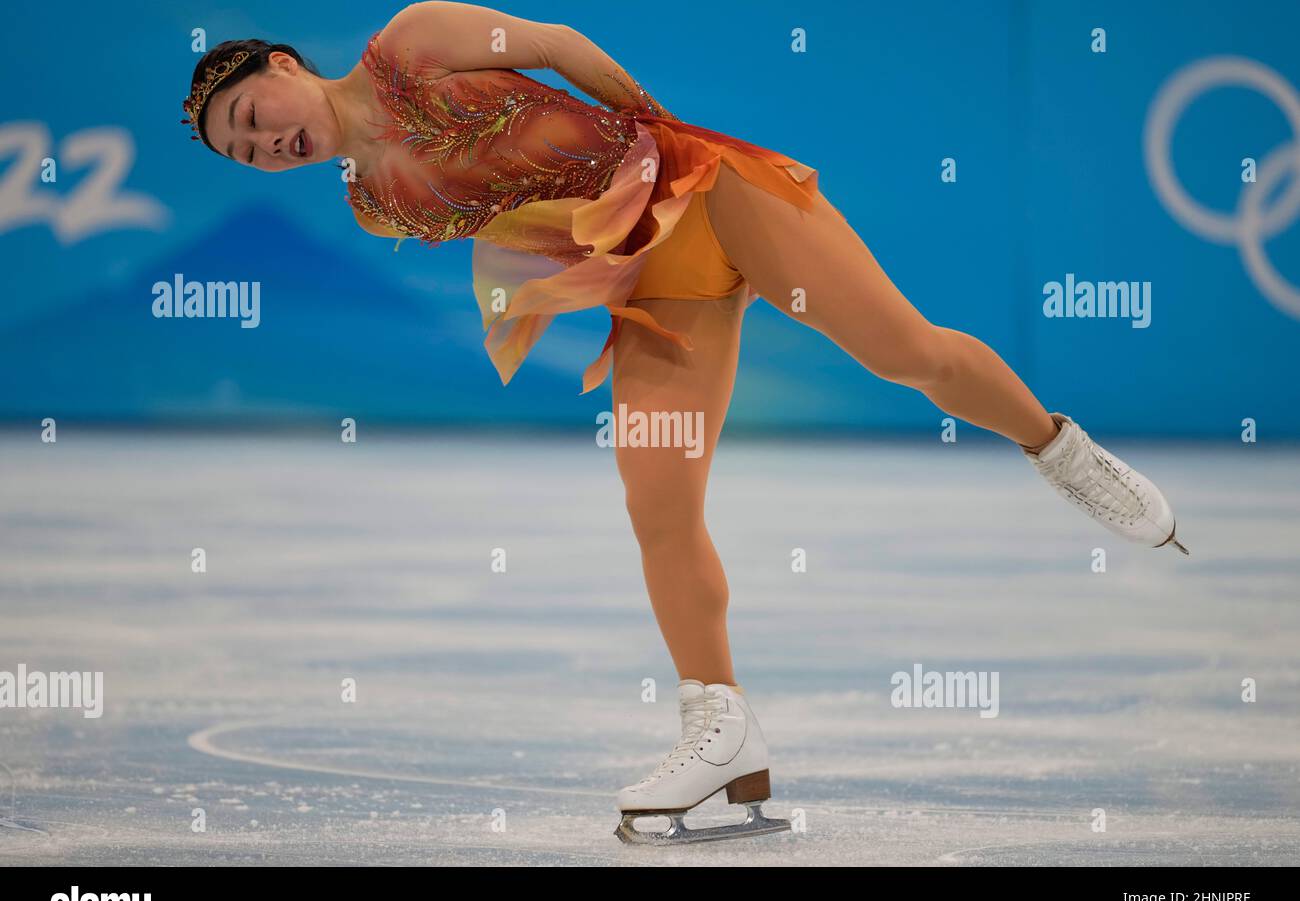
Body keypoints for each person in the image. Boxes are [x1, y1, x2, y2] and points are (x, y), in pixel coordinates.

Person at [181, 1, 1187, 845]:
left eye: (253, 114)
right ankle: (721, 723)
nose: (265, 144)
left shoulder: (410, 41)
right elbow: (518, 215)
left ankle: (1057, 448)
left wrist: (651, 134)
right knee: (655, 499)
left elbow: (555, 46)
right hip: (658, 282)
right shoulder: (373, 205)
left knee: (903, 352)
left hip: (705, 190)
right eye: (244, 152)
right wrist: (579, 276)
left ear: (281, 65)